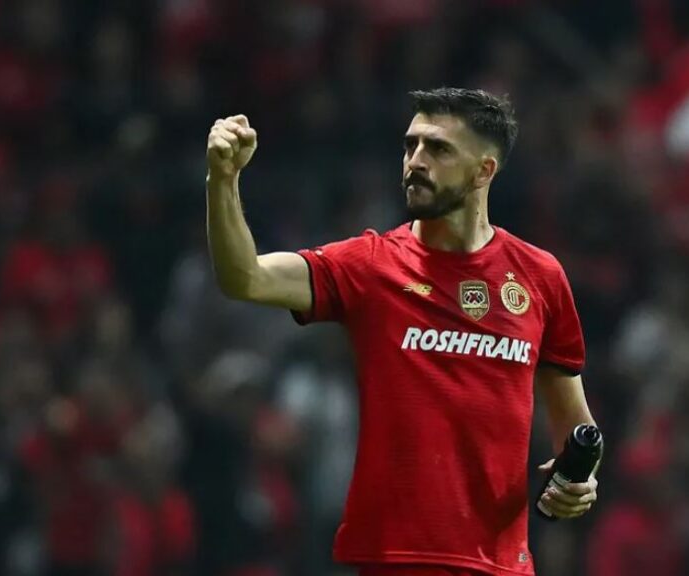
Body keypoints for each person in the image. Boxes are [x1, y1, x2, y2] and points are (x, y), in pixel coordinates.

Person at [205, 87, 599, 576]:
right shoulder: (370, 266)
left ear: (484, 171)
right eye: (411, 145)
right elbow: (244, 277)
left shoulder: (540, 277)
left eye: (438, 149)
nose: (416, 161)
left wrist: (579, 480)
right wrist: (222, 179)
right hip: (396, 559)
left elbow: (576, 429)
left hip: (502, 564)